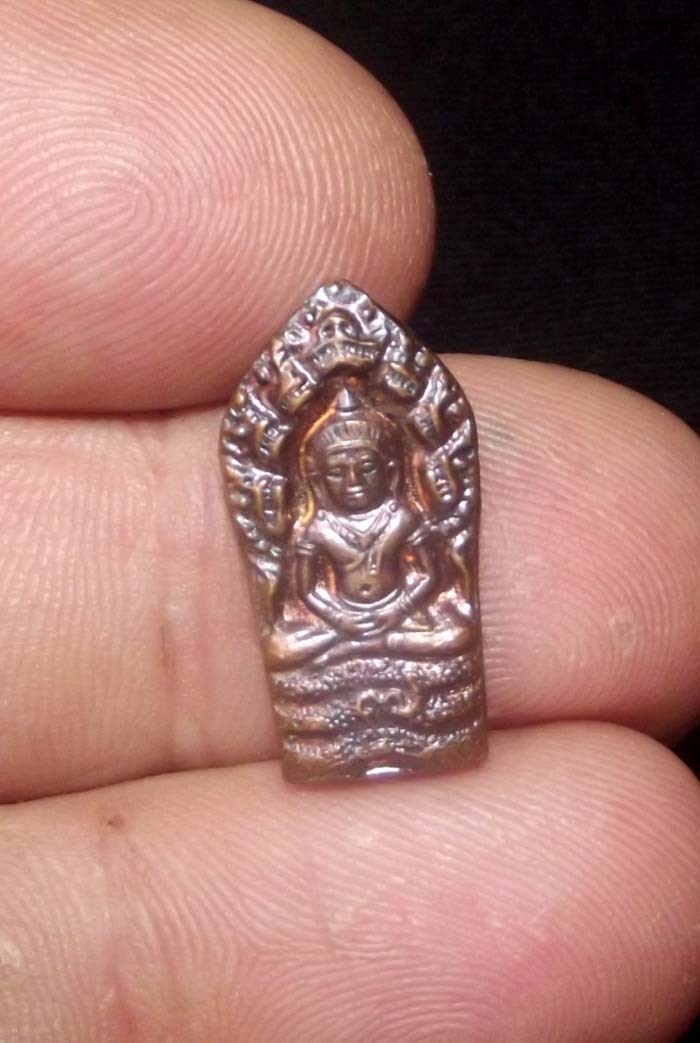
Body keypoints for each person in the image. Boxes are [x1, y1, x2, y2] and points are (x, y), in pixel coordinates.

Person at [0, 2, 699, 1041]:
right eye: (343, 464)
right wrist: (324, 615)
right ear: (318, 471)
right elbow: (299, 605)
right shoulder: (315, 527)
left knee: (437, 638)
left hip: (405, 639)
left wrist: (417, 600)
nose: (362, 471)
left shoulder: (408, 512)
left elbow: (436, 582)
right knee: (293, 647)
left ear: (395, 460)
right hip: (334, 649)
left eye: (373, 459)